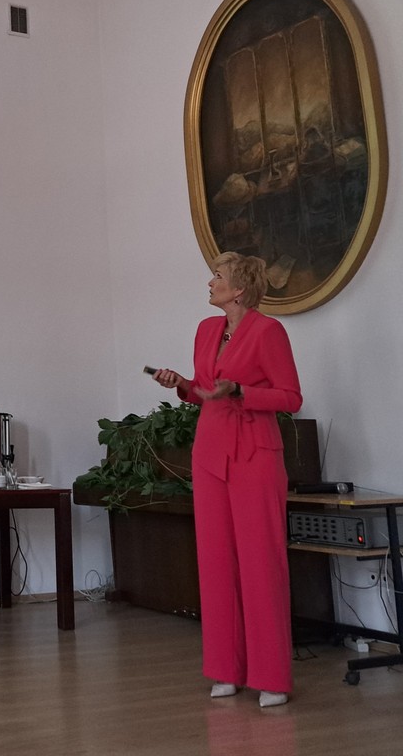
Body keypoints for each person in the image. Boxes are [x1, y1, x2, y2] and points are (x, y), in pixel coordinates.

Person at [151, 252, 302, 708]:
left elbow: (291, 397)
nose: (210, 282)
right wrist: (181, 384)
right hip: (211, 455)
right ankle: (225, 670)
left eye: (217, 276)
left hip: (255, 455)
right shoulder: (206, 330)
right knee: (215, 562)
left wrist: (241, 390)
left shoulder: (268, 331)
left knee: (260, 563)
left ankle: (272, 677)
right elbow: (204, 391)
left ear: (239, 289)